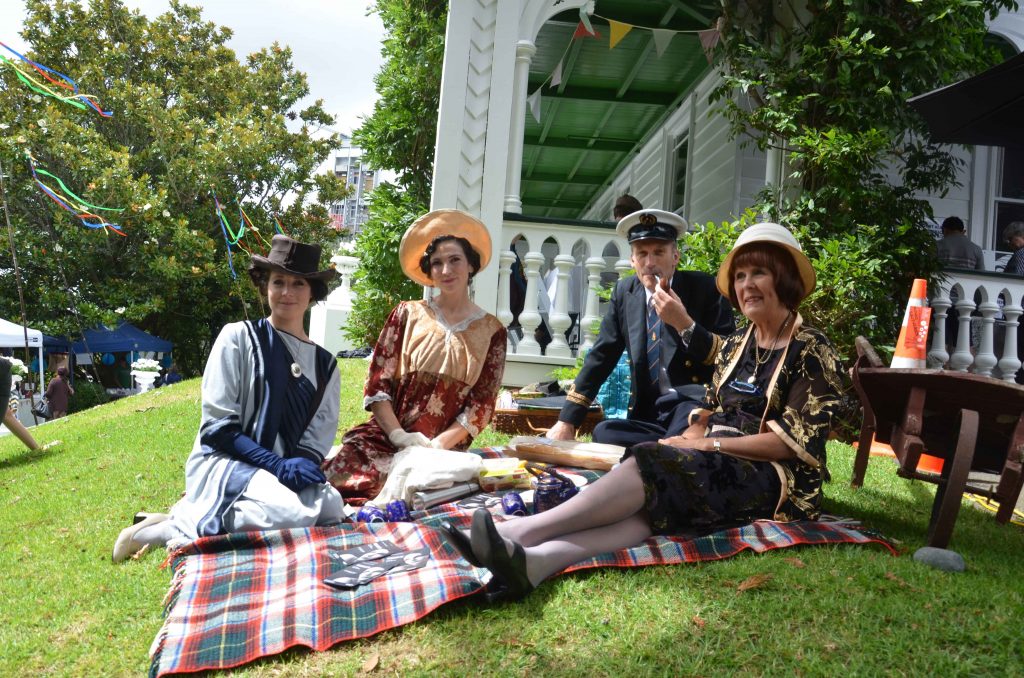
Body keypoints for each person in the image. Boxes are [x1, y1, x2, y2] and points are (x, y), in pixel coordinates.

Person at [443, 222, 846, 600]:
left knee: (650, 463)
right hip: (720, 456)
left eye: (758, 273)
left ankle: (518, 531)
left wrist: (708, 448)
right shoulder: (743, 340)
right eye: (740, 277)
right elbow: (710, 403)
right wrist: (691, 435)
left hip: (777, 481)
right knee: (653, 507)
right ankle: (534, 563)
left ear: (785, 278)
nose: (746, 286)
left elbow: (789, 444)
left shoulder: (812, 350)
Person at [112, 235, 344, 562]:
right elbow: (218, 428)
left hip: (281, 473)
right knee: (291, 515)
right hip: (226, 460)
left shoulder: (326, 366)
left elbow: (316, 437)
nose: (287, 293)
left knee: (332, 505)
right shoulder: (237, 338)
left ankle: (196, 512)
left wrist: (300, 468)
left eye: (298, 284)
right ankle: (168, 526)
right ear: (265, 286)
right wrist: (275, 464)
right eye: (279, 282)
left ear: (312, 293)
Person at [322, 209, 507, 505]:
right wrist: (399, 436)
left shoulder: (492, 332)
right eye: (437, 264)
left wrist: (436, 446)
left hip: (441, 449)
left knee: (417, 490)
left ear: (471, 265)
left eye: (455, 260)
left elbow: (481, 406)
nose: (446, 270)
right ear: (429, 272)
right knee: (337, 484)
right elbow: (378, 384)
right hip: (386, 436)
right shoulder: (407, 314)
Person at [546, 209, 734, 447]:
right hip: (648, 415)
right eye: (642, 253)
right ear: (632, 260)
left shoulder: (706, 288)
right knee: (604, 433)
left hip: (690, 408)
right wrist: (568, 420)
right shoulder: (626, 293)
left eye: (659, 252)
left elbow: (729, 357)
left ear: (675, 256)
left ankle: (668, 449)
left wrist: (684, 324)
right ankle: (661, 450)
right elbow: (602, 356)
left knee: (684, 434)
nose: (650, 263)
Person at [0, 357, 41, 451]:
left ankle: (37, 449)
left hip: (3, 370)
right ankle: (37, 449)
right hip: (4, 368)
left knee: (6, 414)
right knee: (7, 414)